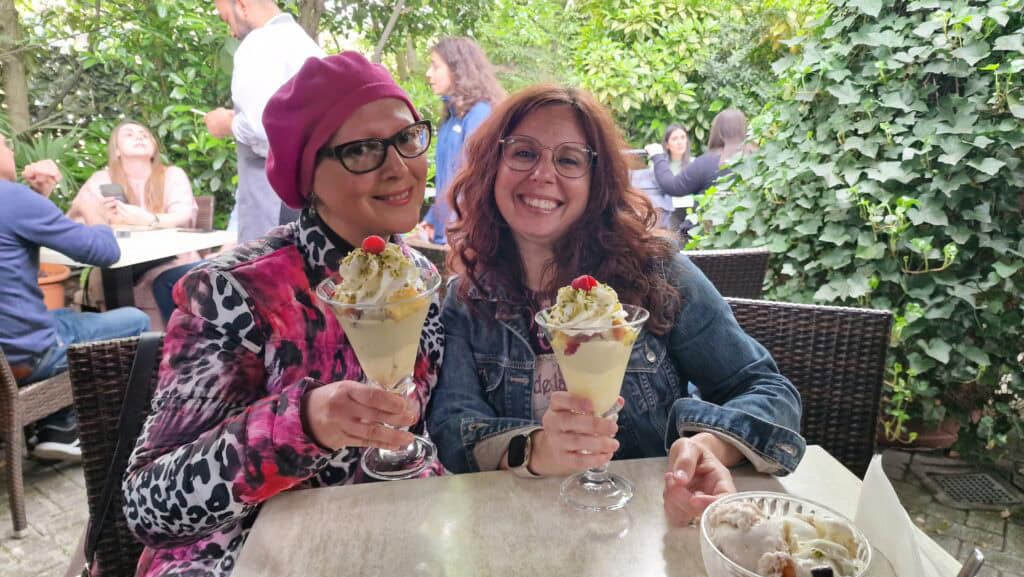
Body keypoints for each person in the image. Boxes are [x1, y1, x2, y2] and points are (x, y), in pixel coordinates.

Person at [123, 52, 444, 577]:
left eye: (407, 138)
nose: (398, 167)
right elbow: (147, 508)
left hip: (379, 547)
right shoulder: (235, 290)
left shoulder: (419, 278)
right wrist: (303, 423)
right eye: (361, 149)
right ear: (307, 175)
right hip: (240, 558)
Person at [426, 86, 804, 526]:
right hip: (519, 533)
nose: (543, 174)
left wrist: (709, 445)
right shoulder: (469, 298)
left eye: (569, 160)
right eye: (524, 153)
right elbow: (453, 425)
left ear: (596, 181)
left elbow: (768, 389)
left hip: (646, 528)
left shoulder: (657, 273)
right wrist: (534, 450)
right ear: (493, 166)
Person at [0, 132, 150, 462]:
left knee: (65, 317)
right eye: (6, 145)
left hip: (6, 353)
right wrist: (91, 210)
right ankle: (100, 433)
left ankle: (55, 425)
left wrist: (38, 197)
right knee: (136, 320)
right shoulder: (11, 199)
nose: (12, 151)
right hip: (22, 361)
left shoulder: (16, 201)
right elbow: (105, 252)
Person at [206, 0, 324, 243]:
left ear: (242, 6)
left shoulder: (258, 43)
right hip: (312, 200)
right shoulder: (305, 45)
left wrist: (226, 124)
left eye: (226, 19)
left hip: (275, 205)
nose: (231, 32)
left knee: (268, 266)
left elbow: (261, 129)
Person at [69, 120, 200, 330]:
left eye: (144, 134)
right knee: (102, 278)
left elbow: (183, 215)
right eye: (129, 134)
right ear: (117, 150)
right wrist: (99, 216)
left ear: (154, 149)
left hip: (172, 259)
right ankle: (123, 345)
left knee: (160, 279)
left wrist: (149, 219)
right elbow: (74, 222)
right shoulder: (102, 179)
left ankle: (160, 344)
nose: (139, 136)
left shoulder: (172, 175)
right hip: (116, 262)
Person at [417, 36, 504, 245]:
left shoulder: (480, 115)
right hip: (447, 235)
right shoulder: (451, 119)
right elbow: (448, 180)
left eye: (436, 66)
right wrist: (432, 220)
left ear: (457, 69)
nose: (429, 73)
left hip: (467, 239)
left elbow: (474, 183)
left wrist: (459, 234)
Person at [645, 108, 750, 198]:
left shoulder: (706, 163)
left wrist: (657, 156)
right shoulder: (754, 158)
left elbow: (673, 187)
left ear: (716, 131)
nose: (679, 142)